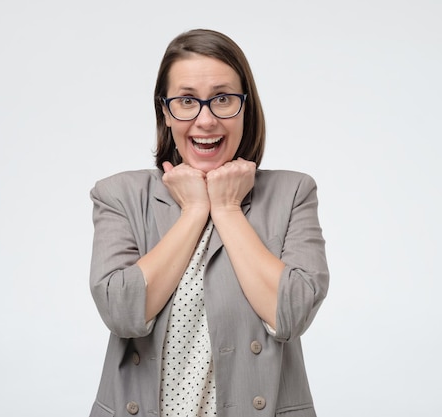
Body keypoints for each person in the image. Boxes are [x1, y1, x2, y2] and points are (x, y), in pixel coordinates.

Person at [88, 28, 329, 417]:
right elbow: (121, 312)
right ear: (165, 111)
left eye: (222, 99)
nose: (206, 120)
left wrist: (228, 209)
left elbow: (291, 313)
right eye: (186, 101)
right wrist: (195, 211)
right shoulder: (119, 195)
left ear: (245, 107)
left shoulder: (293, 192)